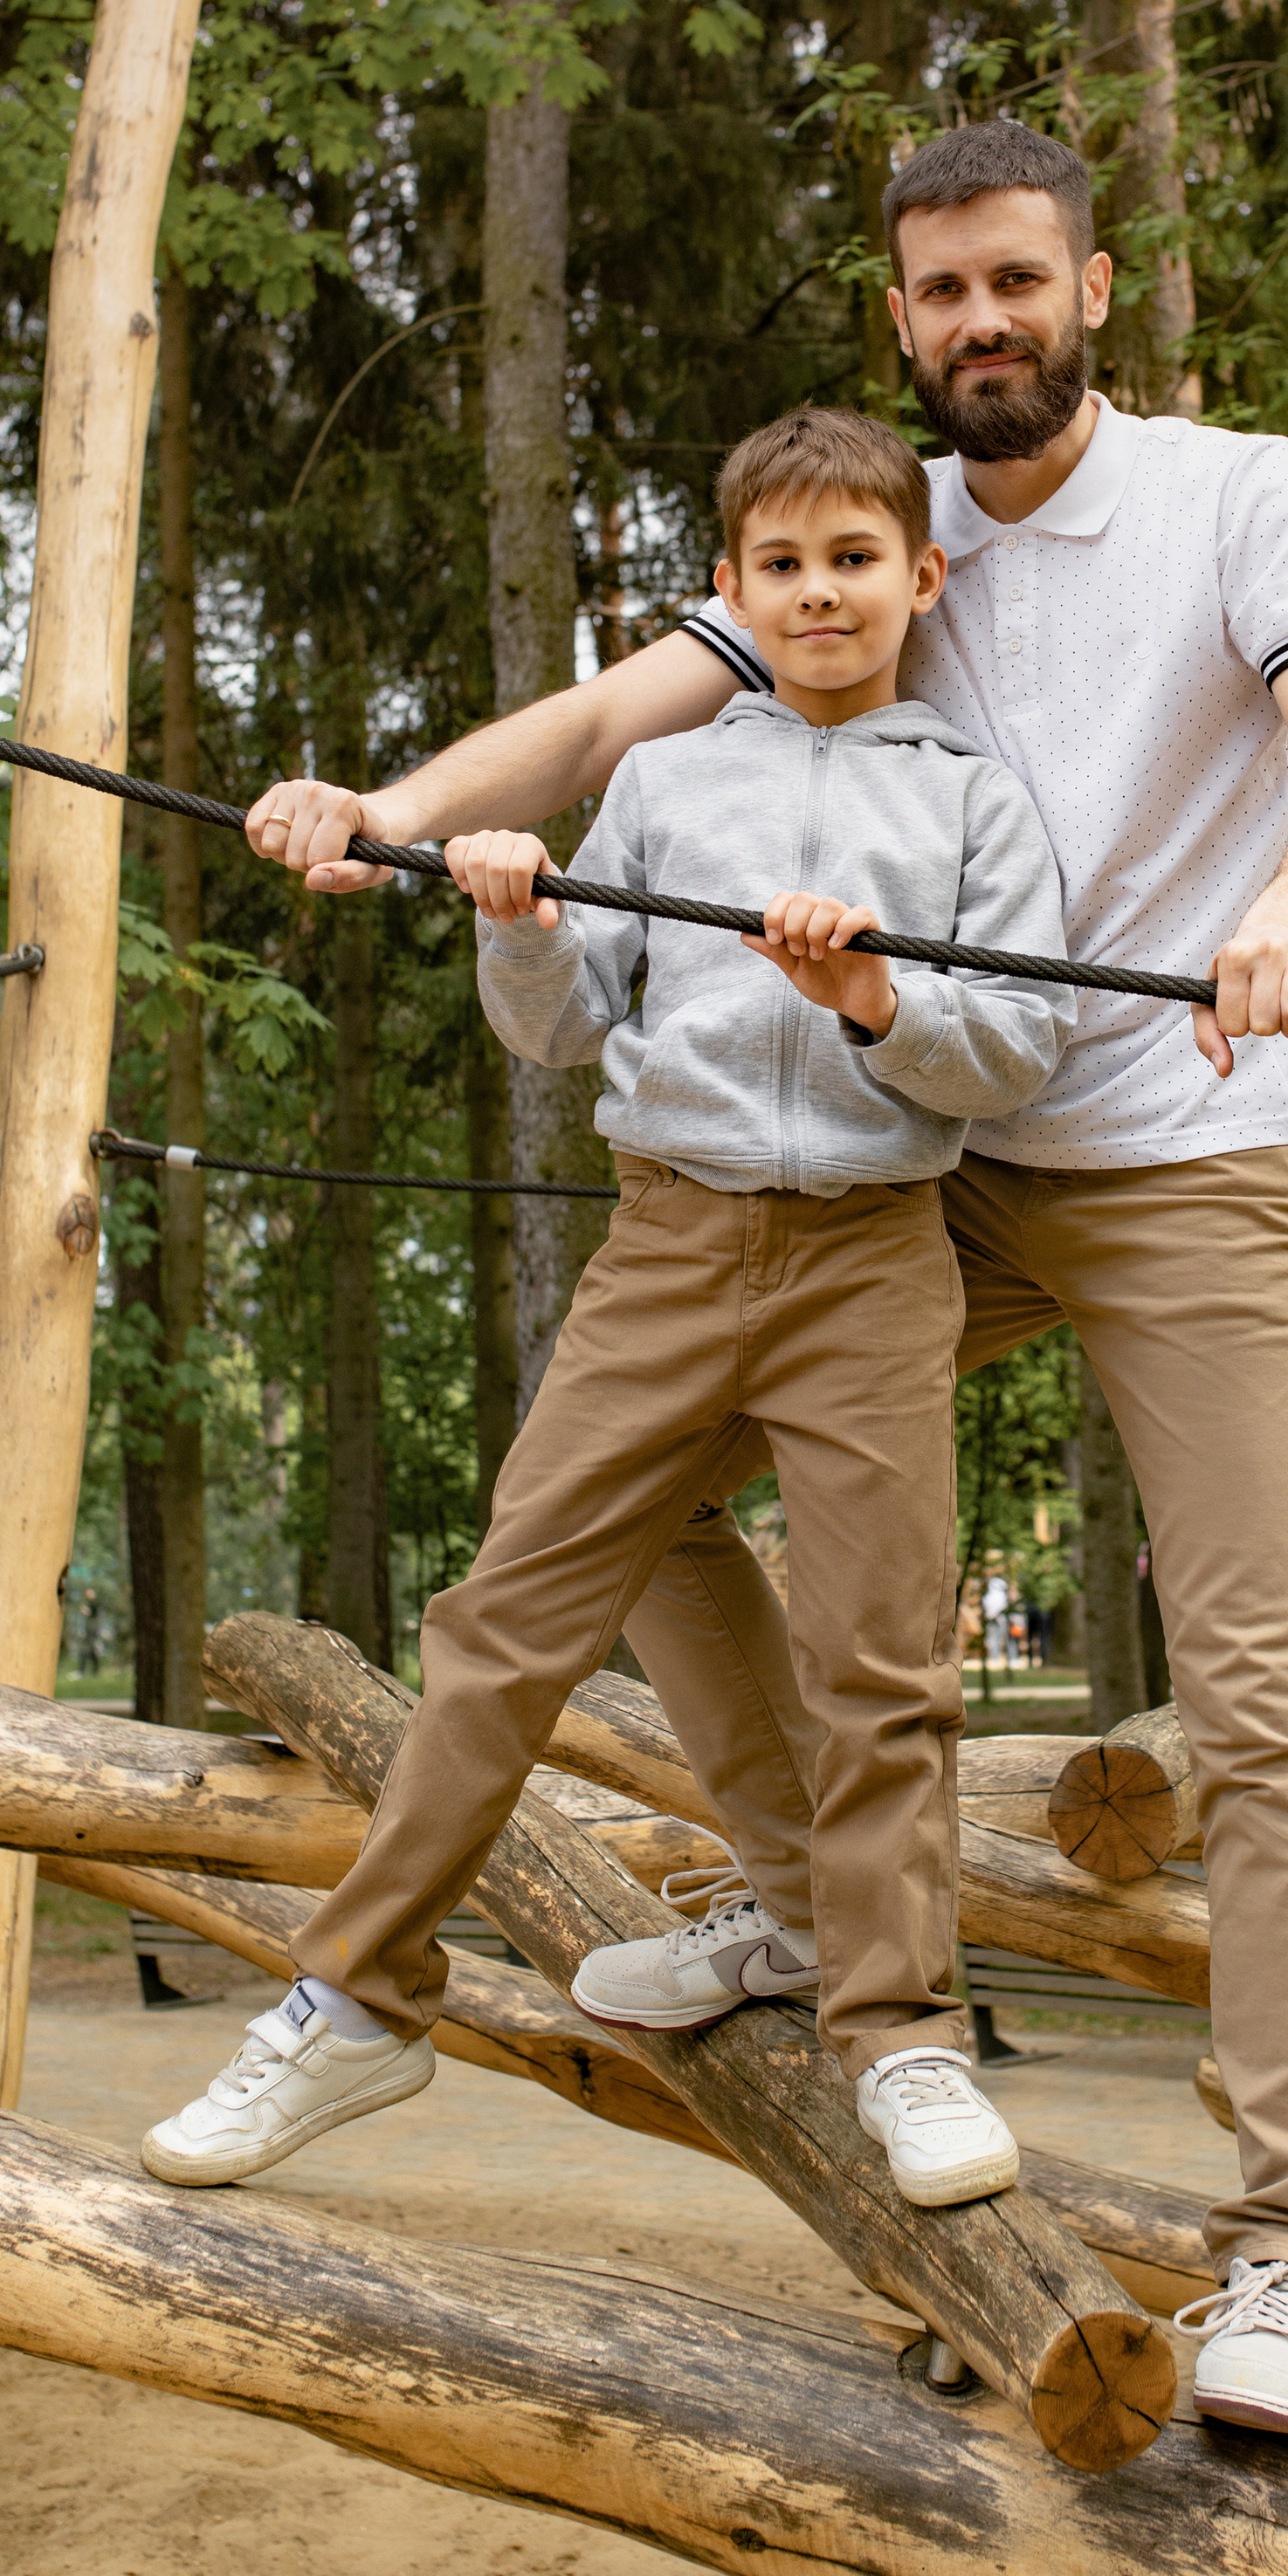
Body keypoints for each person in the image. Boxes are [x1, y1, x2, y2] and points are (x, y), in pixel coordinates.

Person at [240, 116, 1288, 2442]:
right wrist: (386, 810)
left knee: (1268, 1703)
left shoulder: (1232, 494)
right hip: (924, 1158)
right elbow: (599, 728)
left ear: (1092, 290)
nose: (982, 322)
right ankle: (803, 1900)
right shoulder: (866, 540)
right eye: (942, 294)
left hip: (1197, 1147)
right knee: (636, 1476)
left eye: (1020, 283)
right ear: (900, 320)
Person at [141, 405, 1076, 2214]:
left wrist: (872, 991)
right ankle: (356, 2000)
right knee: (503, 1624)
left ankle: (896, 2031)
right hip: (665, 1248)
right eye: (784, 567)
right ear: (728, 592)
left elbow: (1014, 1054)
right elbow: (561, 1035)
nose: (822, 594)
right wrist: (522, 919)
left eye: (855, 561)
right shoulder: (667, 783)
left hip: (872, 1258)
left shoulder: (968, 794)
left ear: (919, 576)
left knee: (881, 1662)